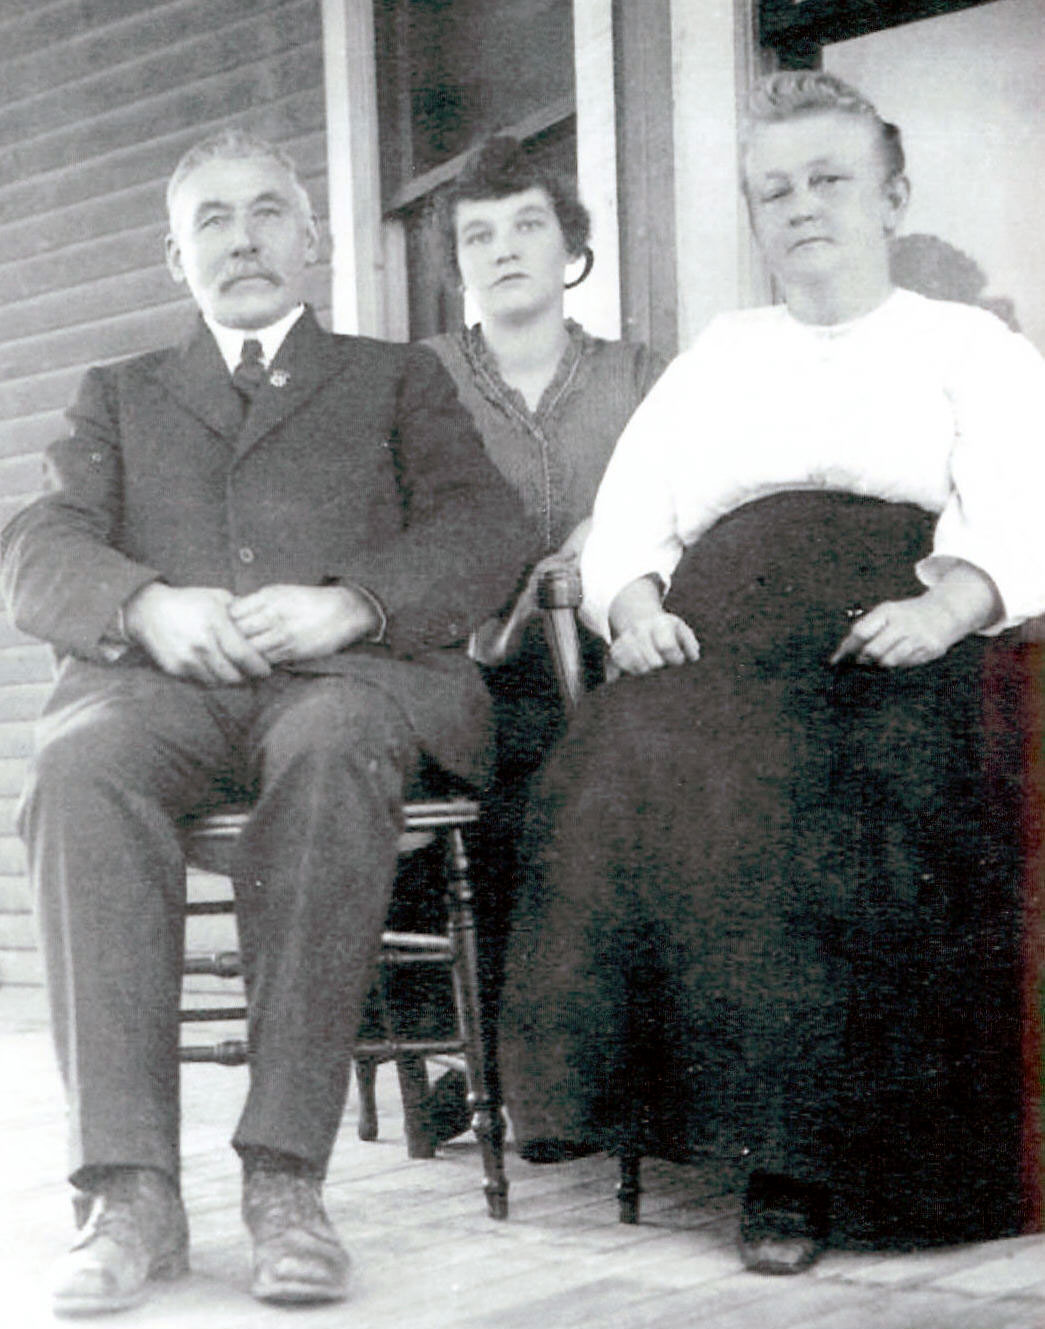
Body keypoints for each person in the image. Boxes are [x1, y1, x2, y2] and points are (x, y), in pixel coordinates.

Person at [499, 72, 1045, 1275]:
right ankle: (710, 1135)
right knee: (624, 750)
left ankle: (808, 1166)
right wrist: (635, 605)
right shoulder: (721, 355)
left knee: (847, 778)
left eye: (828, 180)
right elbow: (631, 511)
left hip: (893, 628)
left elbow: (1022, 505)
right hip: (720, 630)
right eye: (773, 190)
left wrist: (949, 604)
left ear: (890, 198)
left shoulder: (969, 346)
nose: (801, 207)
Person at [0, 129, 532, 1314]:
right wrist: (144, 604)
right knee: (77, 765)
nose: (241, 239)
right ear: (174, 259)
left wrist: (357, 601)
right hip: (163, 692)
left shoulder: (396, 379)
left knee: (333, 745)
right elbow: (40, 546)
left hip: (344, 683)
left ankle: (286, 1180)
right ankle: (128, 1192)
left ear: (313, 240)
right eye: (212, 220)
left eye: (266, 213)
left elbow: (483, 526)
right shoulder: (121, 393)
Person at [409, 137, 661, 1142]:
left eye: (527, 225)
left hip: (614, 656)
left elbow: (687, 495)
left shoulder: (639, 374)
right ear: (456, 266)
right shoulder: (417, 382)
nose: (505, 248)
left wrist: (608, 531)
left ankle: (599, 1065)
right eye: (478, 235)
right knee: (498, 770)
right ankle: (501, 1064)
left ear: (571, 247)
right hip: (469, 663)